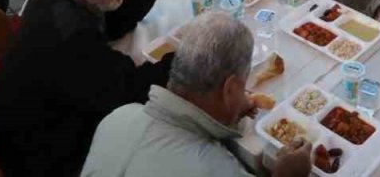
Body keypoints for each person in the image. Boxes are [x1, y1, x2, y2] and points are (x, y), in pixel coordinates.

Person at [0, 0, 184, 177]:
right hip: (40, 159)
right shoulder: (72, 38)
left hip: (21, 131)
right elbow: (131, 90)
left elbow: (109, 23)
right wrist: (186, 56)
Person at [81, 11, 311, 177]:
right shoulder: (216, 168)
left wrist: (229, 112)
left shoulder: (118, 117)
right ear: (230, 89)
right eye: (242, 87)